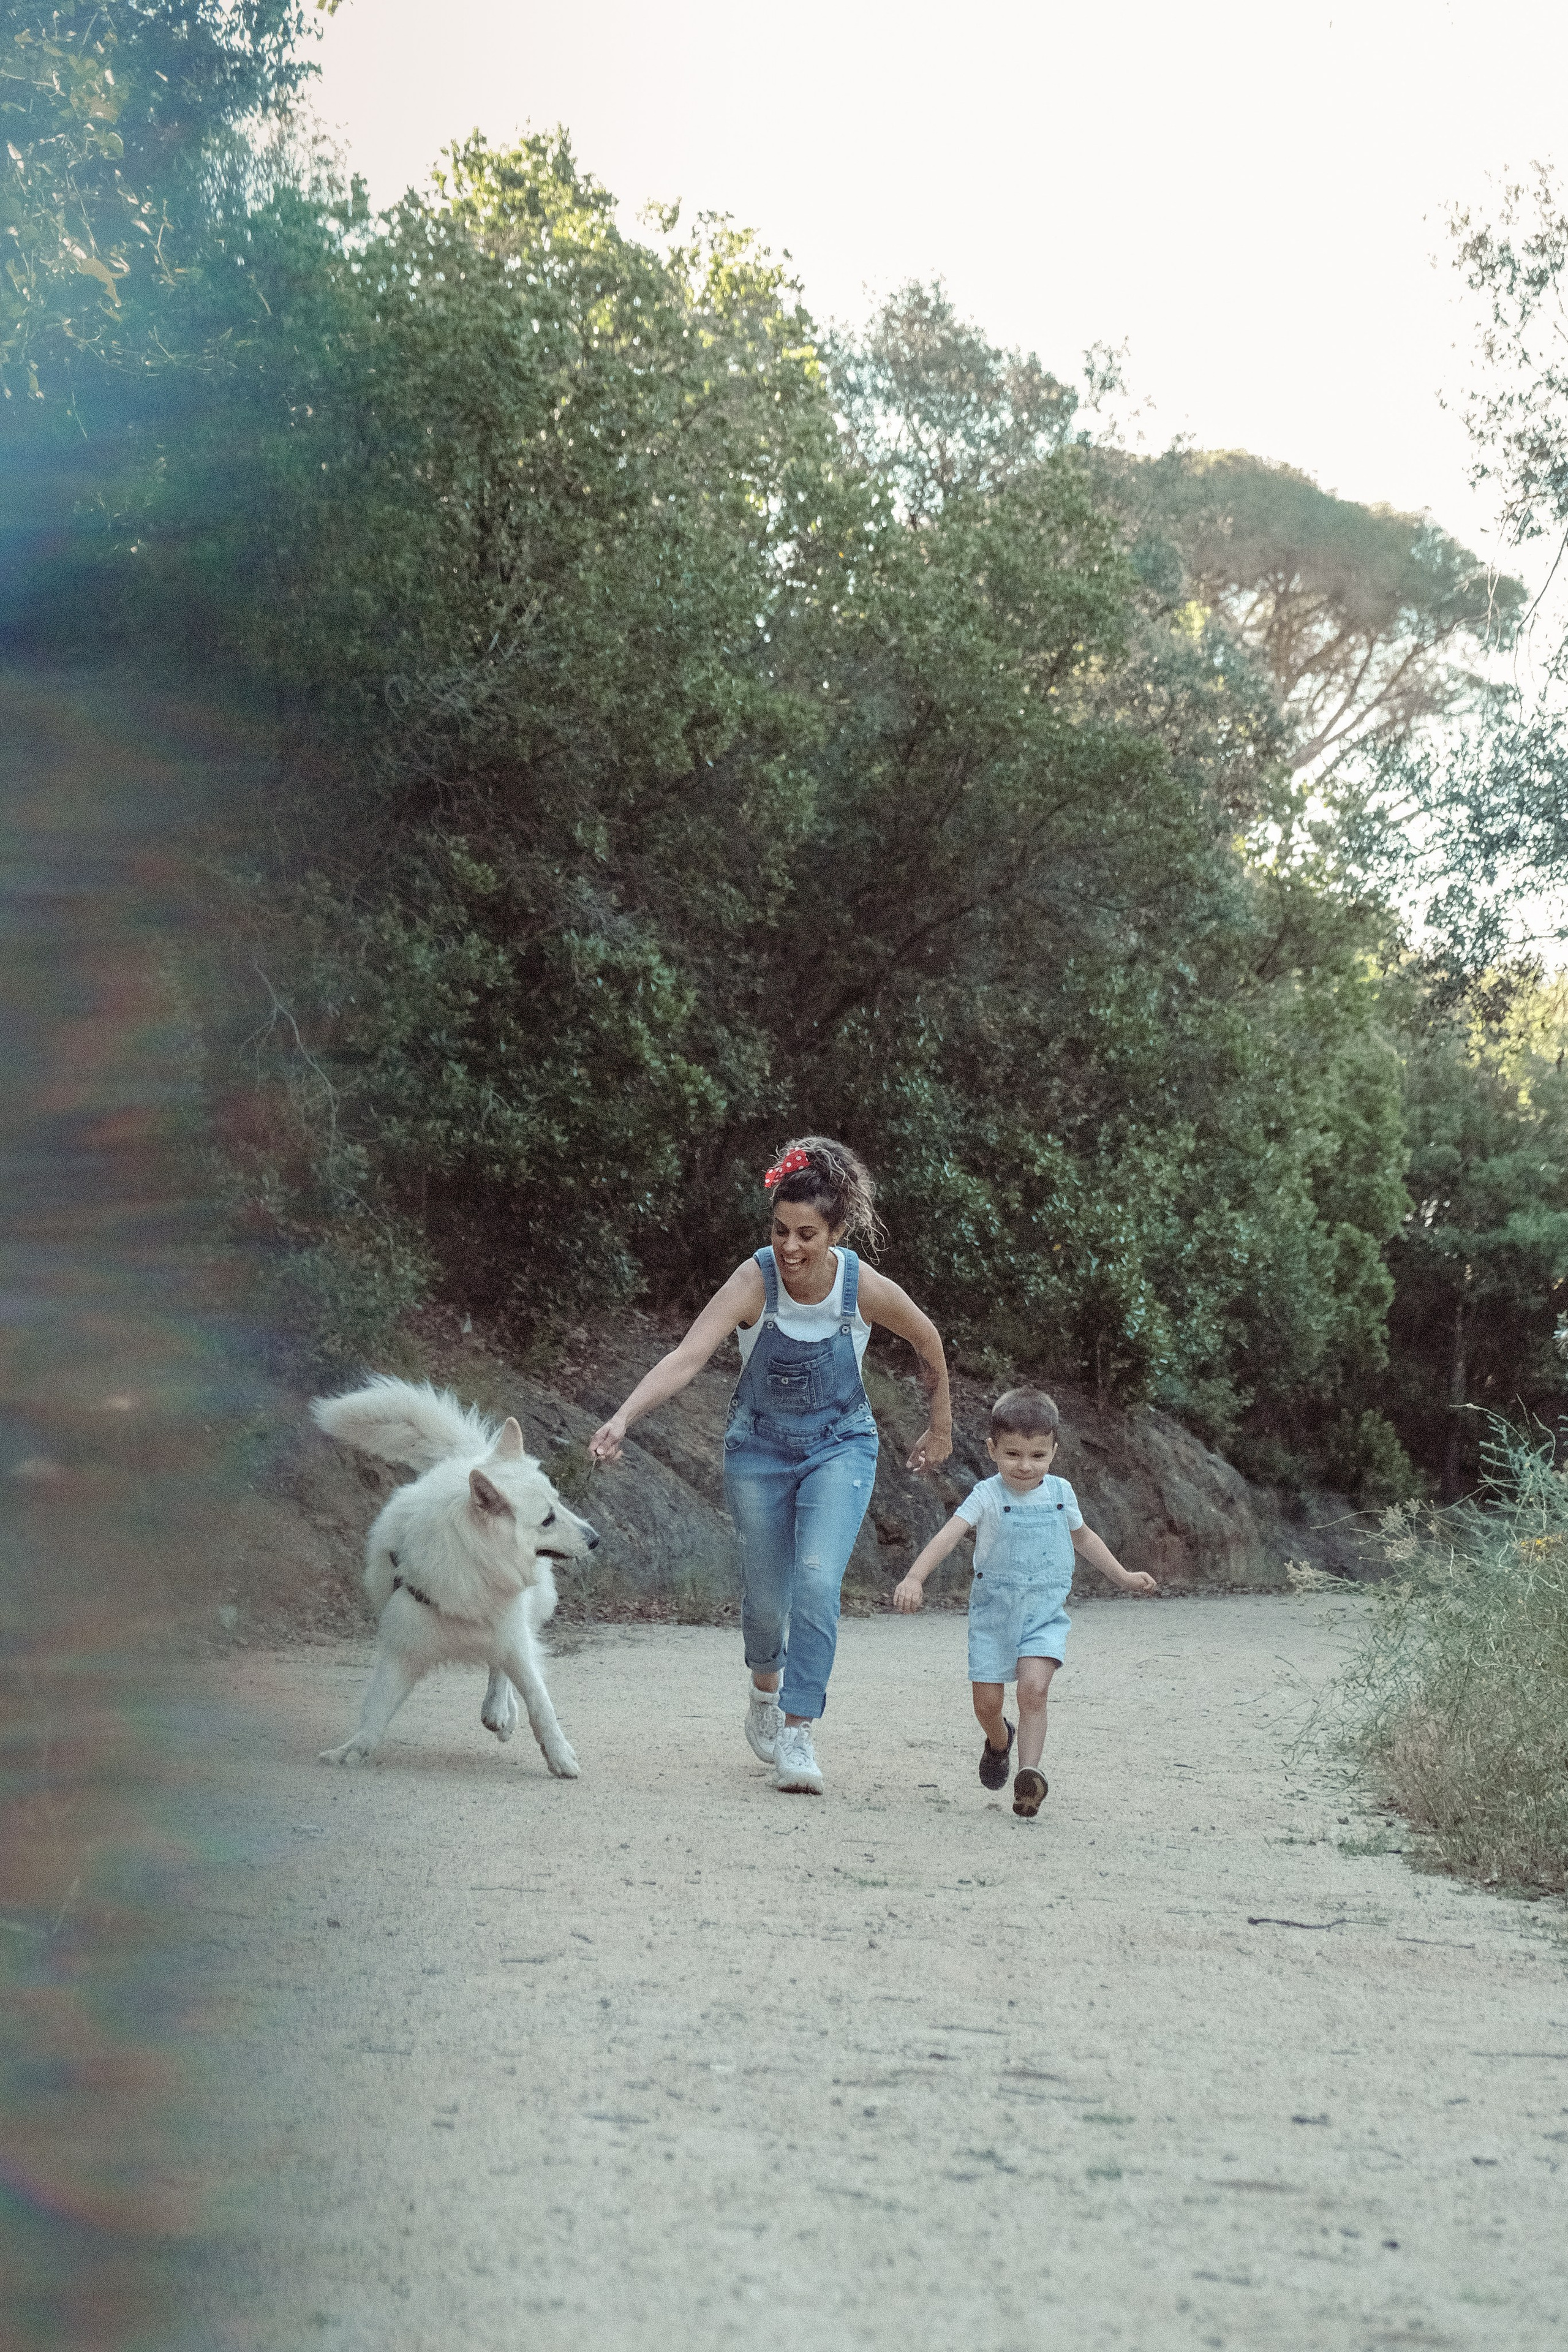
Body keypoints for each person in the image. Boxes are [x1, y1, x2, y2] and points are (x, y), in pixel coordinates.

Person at [588, 1136, 952, 1794]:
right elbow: (687, 1356)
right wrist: (623, 1417)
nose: (790, 1247)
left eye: (807, 1234)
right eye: (780, 1230)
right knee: (764, 1604)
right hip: (757, 1451)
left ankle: (798, 1731)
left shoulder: (860, 1288)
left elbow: (928, 1339)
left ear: (835, 1231)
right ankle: (764, 1689)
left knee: (815, 1583)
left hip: (840, 1446)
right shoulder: (753, 1280)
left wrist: (942, 1424)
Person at [892, 1387, 1156, 1817]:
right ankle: (1000, 1741)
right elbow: (949, 1534)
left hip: (1043, 1612)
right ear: (992, 1450)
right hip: (994, 1614)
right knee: (988, 1705)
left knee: (1034, 1690)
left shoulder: (1061, 1492)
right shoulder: (986, 1494)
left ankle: (1028, 1777)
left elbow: (1084, 1537)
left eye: (1038, 1456)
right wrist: (914, 1577)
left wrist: (1122, 1575)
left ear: (1054, 1451)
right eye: (1013, 1454)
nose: (1025, 1466)